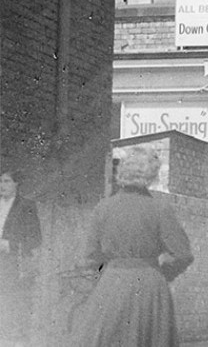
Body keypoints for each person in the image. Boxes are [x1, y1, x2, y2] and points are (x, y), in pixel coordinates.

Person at [72, 146, 194, 347]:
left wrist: (107, 269)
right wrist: (163, 270)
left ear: (122, 173)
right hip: (149, 287)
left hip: (112, 285)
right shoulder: (160, 208)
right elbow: (183, 254)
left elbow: (90, 256)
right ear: (151, 175)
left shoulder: (103, 207)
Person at [0, 170, 42, 345]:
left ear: (17, 184)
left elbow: (35, 238)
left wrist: (10, 245)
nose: (2, 185)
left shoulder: (26, 206)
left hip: (14, 264)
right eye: (1, 181)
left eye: (7, 181)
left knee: (15, 306)